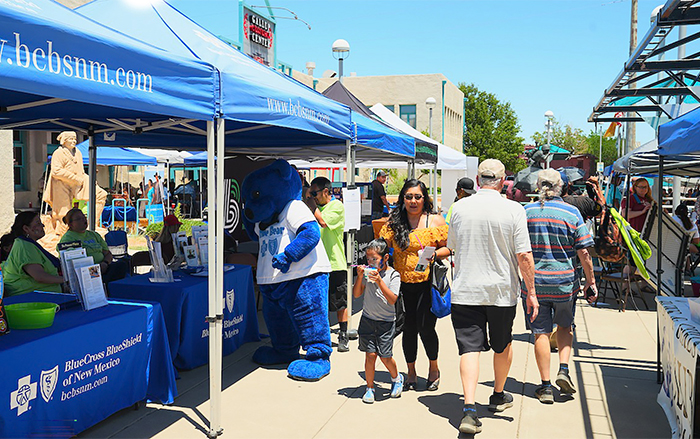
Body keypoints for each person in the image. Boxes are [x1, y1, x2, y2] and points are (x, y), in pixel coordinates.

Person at [446, 159, 538, 435]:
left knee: (469, 349)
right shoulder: (514, 209)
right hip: (501, 292)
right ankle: (498, 393)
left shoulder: (459, 208)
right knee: (502, 344)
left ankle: (470, 408)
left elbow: (452, 247)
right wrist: (531, 292)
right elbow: (524, 255)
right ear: (503, 180)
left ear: (477, 180)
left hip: (466, 291)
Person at [522, 169, 597, 405]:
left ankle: (545, 386)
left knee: (540, 333)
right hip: (565, 282)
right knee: (565, 326)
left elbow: (520, 251)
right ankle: (563, 369)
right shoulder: (572, 212)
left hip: (535, 285)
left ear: (537, 187)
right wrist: (591, 281)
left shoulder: (526, 212)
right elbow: (584, 251)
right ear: (561, 187)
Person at [379, 179, 449, 392]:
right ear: (403, 199)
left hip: (427, 284)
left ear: (424, 198)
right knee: (408, 329)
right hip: (401, 286)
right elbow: (382, 247)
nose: (413, 201)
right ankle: (410, 371)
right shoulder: (394, 223)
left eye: (417, 197)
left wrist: (434, 254)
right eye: (409, 197)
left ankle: (434, 368)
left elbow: (450, 248)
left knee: (426, 328)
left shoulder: (434, 221)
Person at [353, 238, 403, 403]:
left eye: (374, 259)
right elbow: (356, 294)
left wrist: (379, 281)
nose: (371, 262)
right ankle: (369, 388)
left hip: (386, 322)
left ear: (386, 258)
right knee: (370, 355)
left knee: (385, 356)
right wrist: (360, 277)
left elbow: (392, 299)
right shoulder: (367, 273)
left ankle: (396, 378)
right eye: (368, 259)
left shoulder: (393, 275)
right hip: (368, 319)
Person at [307, 177, 349, 352]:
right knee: (319, 303)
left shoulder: (336, 206)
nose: (313, 197)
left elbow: (323, 222)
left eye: (315, 193)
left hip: (334, 263)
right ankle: (320, 336)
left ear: (326, 191)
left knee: (340, 302)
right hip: (316, 265)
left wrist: (309, 204)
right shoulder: (314, 208)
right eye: (311, 194)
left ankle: (344, 335)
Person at [58, 208, 128, 285]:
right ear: (71, 224)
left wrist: (105, 263)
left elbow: (108, 253)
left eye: (84, 217)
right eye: (79, 219)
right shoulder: (68, 239)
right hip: (86, 272)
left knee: (122, 265)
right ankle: (104, 286)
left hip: (103, 266)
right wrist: (96, 268)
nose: (83, 220)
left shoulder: (94, 235)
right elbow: (73, 263)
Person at [3, 211, 64, 296]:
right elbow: (39, 276)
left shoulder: (29, 244)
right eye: (38, 223)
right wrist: (67, 280)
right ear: (26, 229)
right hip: (29, 301)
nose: (43, 226)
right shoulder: (24, 246)